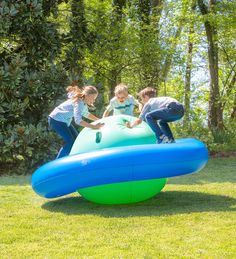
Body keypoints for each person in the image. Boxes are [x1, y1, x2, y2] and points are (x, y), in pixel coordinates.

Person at [48, 85, 104, 158]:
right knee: (70, 142)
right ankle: (58, 162)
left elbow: (86, 114)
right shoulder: (79, 103)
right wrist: (94, 126)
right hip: (56, 120)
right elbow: (78, 121)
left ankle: (72, 158)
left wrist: (99, 120)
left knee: (76, 140)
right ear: (87, 95)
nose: (94, 101)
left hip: (63, 120)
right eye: (93, 98)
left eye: (95, 99)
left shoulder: (83, 102)